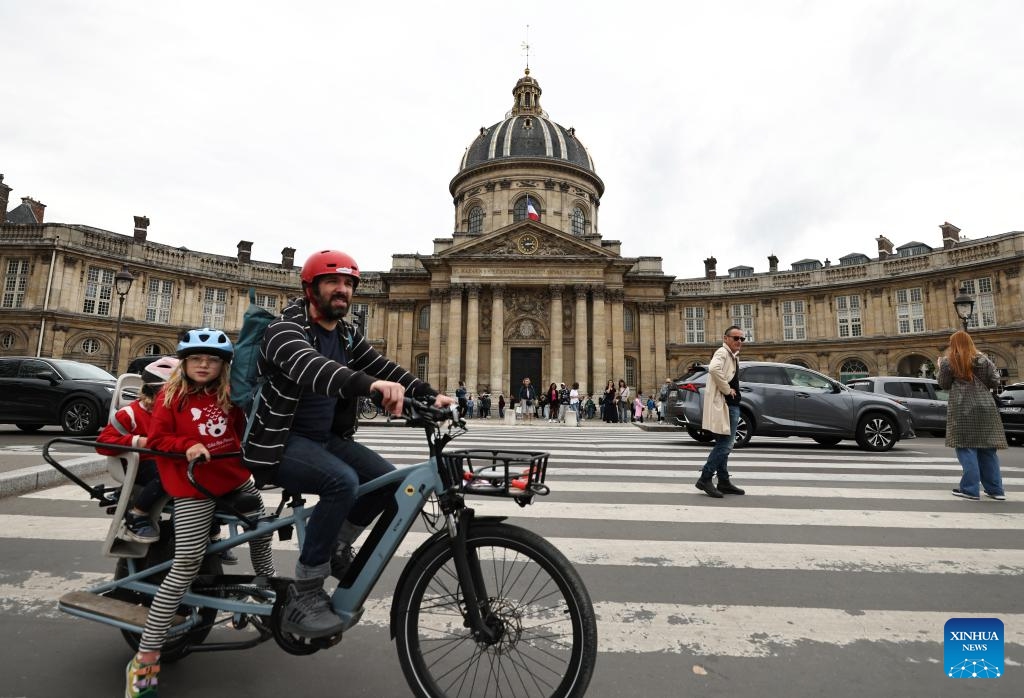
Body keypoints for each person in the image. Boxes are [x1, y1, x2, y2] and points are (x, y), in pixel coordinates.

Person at [242, 250, 453, 639]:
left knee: (389, 483)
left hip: (324, 440)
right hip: (278, 443)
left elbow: (382, 366)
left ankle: (336, 545)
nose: (343, 290)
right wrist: (367, 385)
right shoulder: (284, 331)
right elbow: (314, 368)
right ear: (310, 289)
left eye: (348, 284)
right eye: (333, 282)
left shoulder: (345, 334)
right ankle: (307, 591)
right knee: (342, 481)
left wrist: (427, 392)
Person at [125, 329, 276, 698]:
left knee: (262, 527)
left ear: (223, 365)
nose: (203, 364)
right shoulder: (170, 397)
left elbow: (246, 431)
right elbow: (158, 440)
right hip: (191, 484)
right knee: (186, 562)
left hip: (232, 478)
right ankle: (144, 659)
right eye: (196, 359)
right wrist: (188, 445)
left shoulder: (230, 395)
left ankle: (264, 586)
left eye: (211, 360)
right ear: (185, 363)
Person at [96, 356, 239, 564]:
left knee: (210, 482)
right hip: (143, 463)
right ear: (151, 392)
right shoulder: (130, 413)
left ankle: (210, 535)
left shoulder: (179, 411)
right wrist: (140, 441)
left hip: (172, 459)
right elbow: (103, 443)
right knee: (173, 473)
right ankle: (138, 514)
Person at [937, 330, 1007, 501]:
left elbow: (944, 384)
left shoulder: (948, 361)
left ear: (954, 344)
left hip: (963, 407)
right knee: (988, 449)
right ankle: (995, 490)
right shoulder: (984, 359)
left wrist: (940, 368)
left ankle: (970, 489)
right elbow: (995, 381)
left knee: (966, 447)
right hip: (985, 406)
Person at [695, 326, 747, 498]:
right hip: (726, 405)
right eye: (736, 338)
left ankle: (723, 481)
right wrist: (727, 389)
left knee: (723, 444)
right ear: (726, 338)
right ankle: (705, 477)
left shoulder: (732, 356)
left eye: (742, 339)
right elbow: (714, 369)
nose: (739, 341)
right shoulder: (722, 352)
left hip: (730, 404)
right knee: (725, 445)